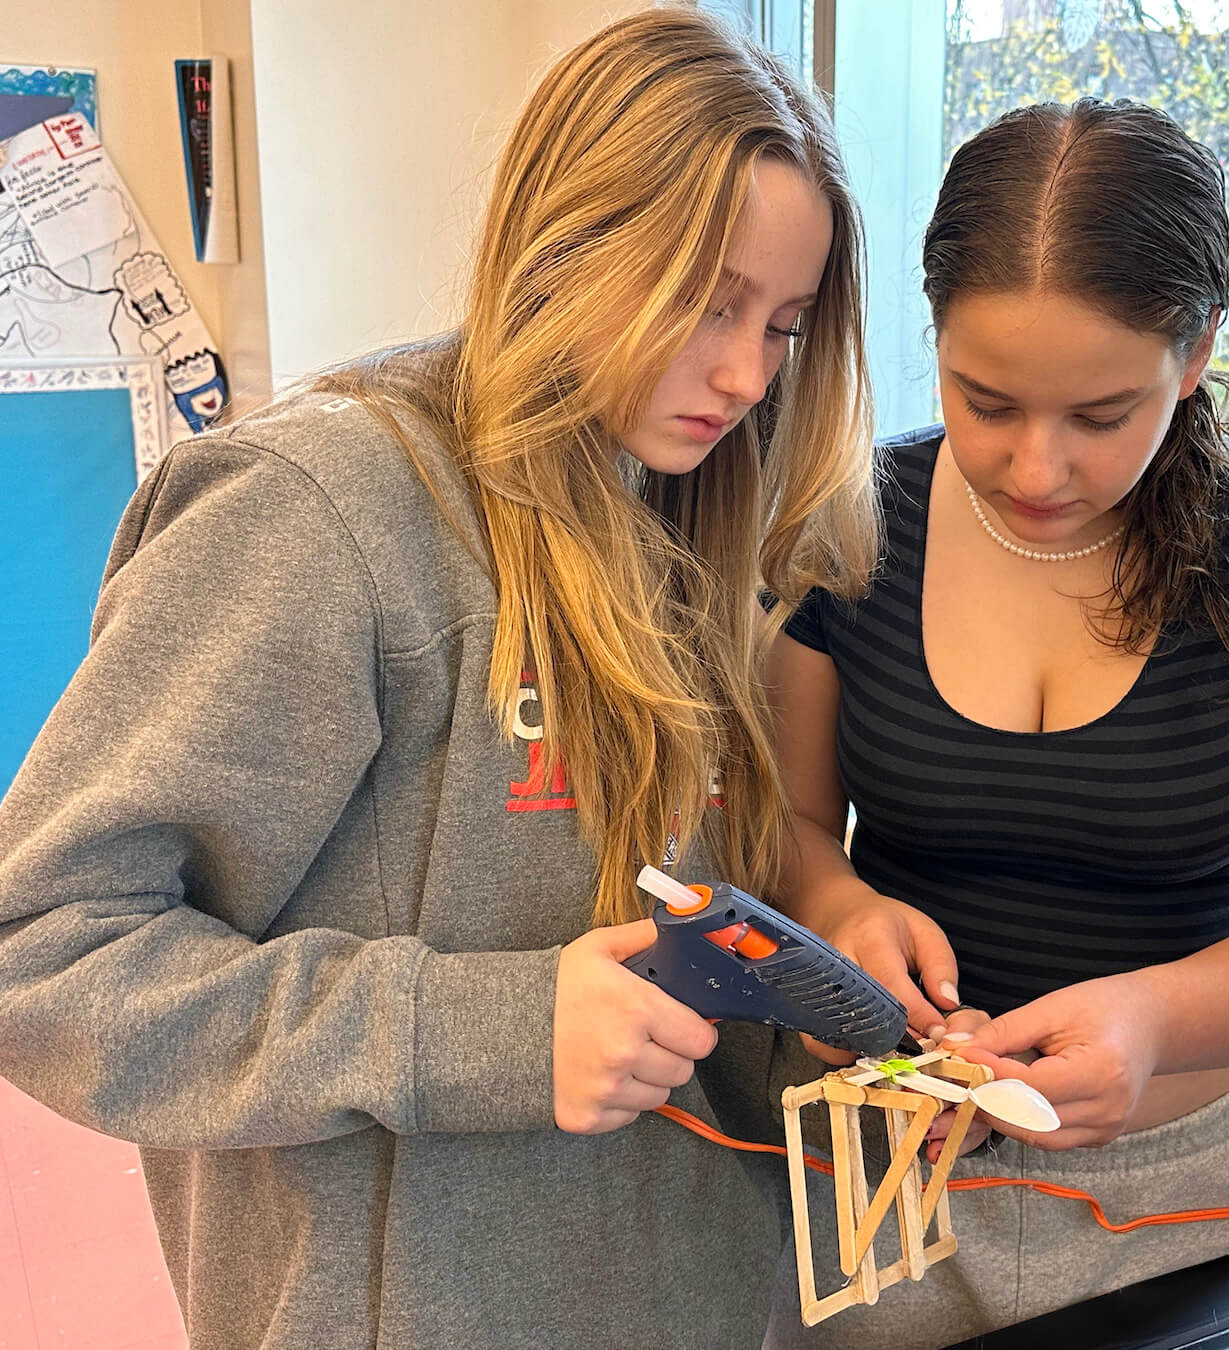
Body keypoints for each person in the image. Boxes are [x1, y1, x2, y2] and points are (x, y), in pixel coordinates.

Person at [0, 11, 877, 1348]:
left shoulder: (692, 515)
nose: (747, 374)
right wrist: (494, 1030)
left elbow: (659, 933)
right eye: (707, 304)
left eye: (784, 323)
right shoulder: (320, 514)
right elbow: (44, 960)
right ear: (569, 239)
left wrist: (821, 1008)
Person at [765, 97, 1229, 1347]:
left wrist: (1152, 1022)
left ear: (1200, 348)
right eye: (986, 399)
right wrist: (842, 908)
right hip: (885, 1150)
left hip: (1178, 1185)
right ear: (935, 336)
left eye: (1103, 416)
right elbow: (789, 816)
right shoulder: (850, 525)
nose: (1036, 469)